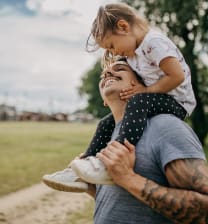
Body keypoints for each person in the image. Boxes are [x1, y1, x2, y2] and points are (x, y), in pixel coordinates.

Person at [43, 2, 196, 187]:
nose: (113, 52)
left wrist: (145, 91)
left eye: (112, 45)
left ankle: (114, 160)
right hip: (158, 98)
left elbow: (177, 76)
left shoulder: (154, 43)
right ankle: (82, 168)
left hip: (177, 102)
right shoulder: (134, 53)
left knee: (139, 101)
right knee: (105, 122)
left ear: (123, 27)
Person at [85, 59, 208, 223]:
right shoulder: (110, 134)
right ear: (104, 101)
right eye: (103, 74)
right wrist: (91, 186)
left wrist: (128, 178)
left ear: (142, 83)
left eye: (120, 68)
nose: (107, 73)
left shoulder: (166, 127)